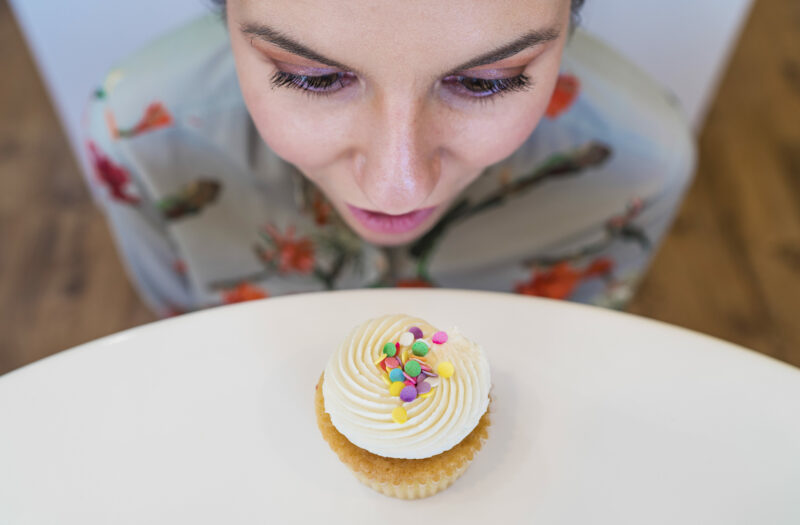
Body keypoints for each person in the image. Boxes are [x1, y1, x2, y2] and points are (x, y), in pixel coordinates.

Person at [83, 0, 695, 317]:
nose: (396, 188)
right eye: (314, 78)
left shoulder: (639, 166)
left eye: (485, 82)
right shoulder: (141, 144)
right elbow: (183, 342)